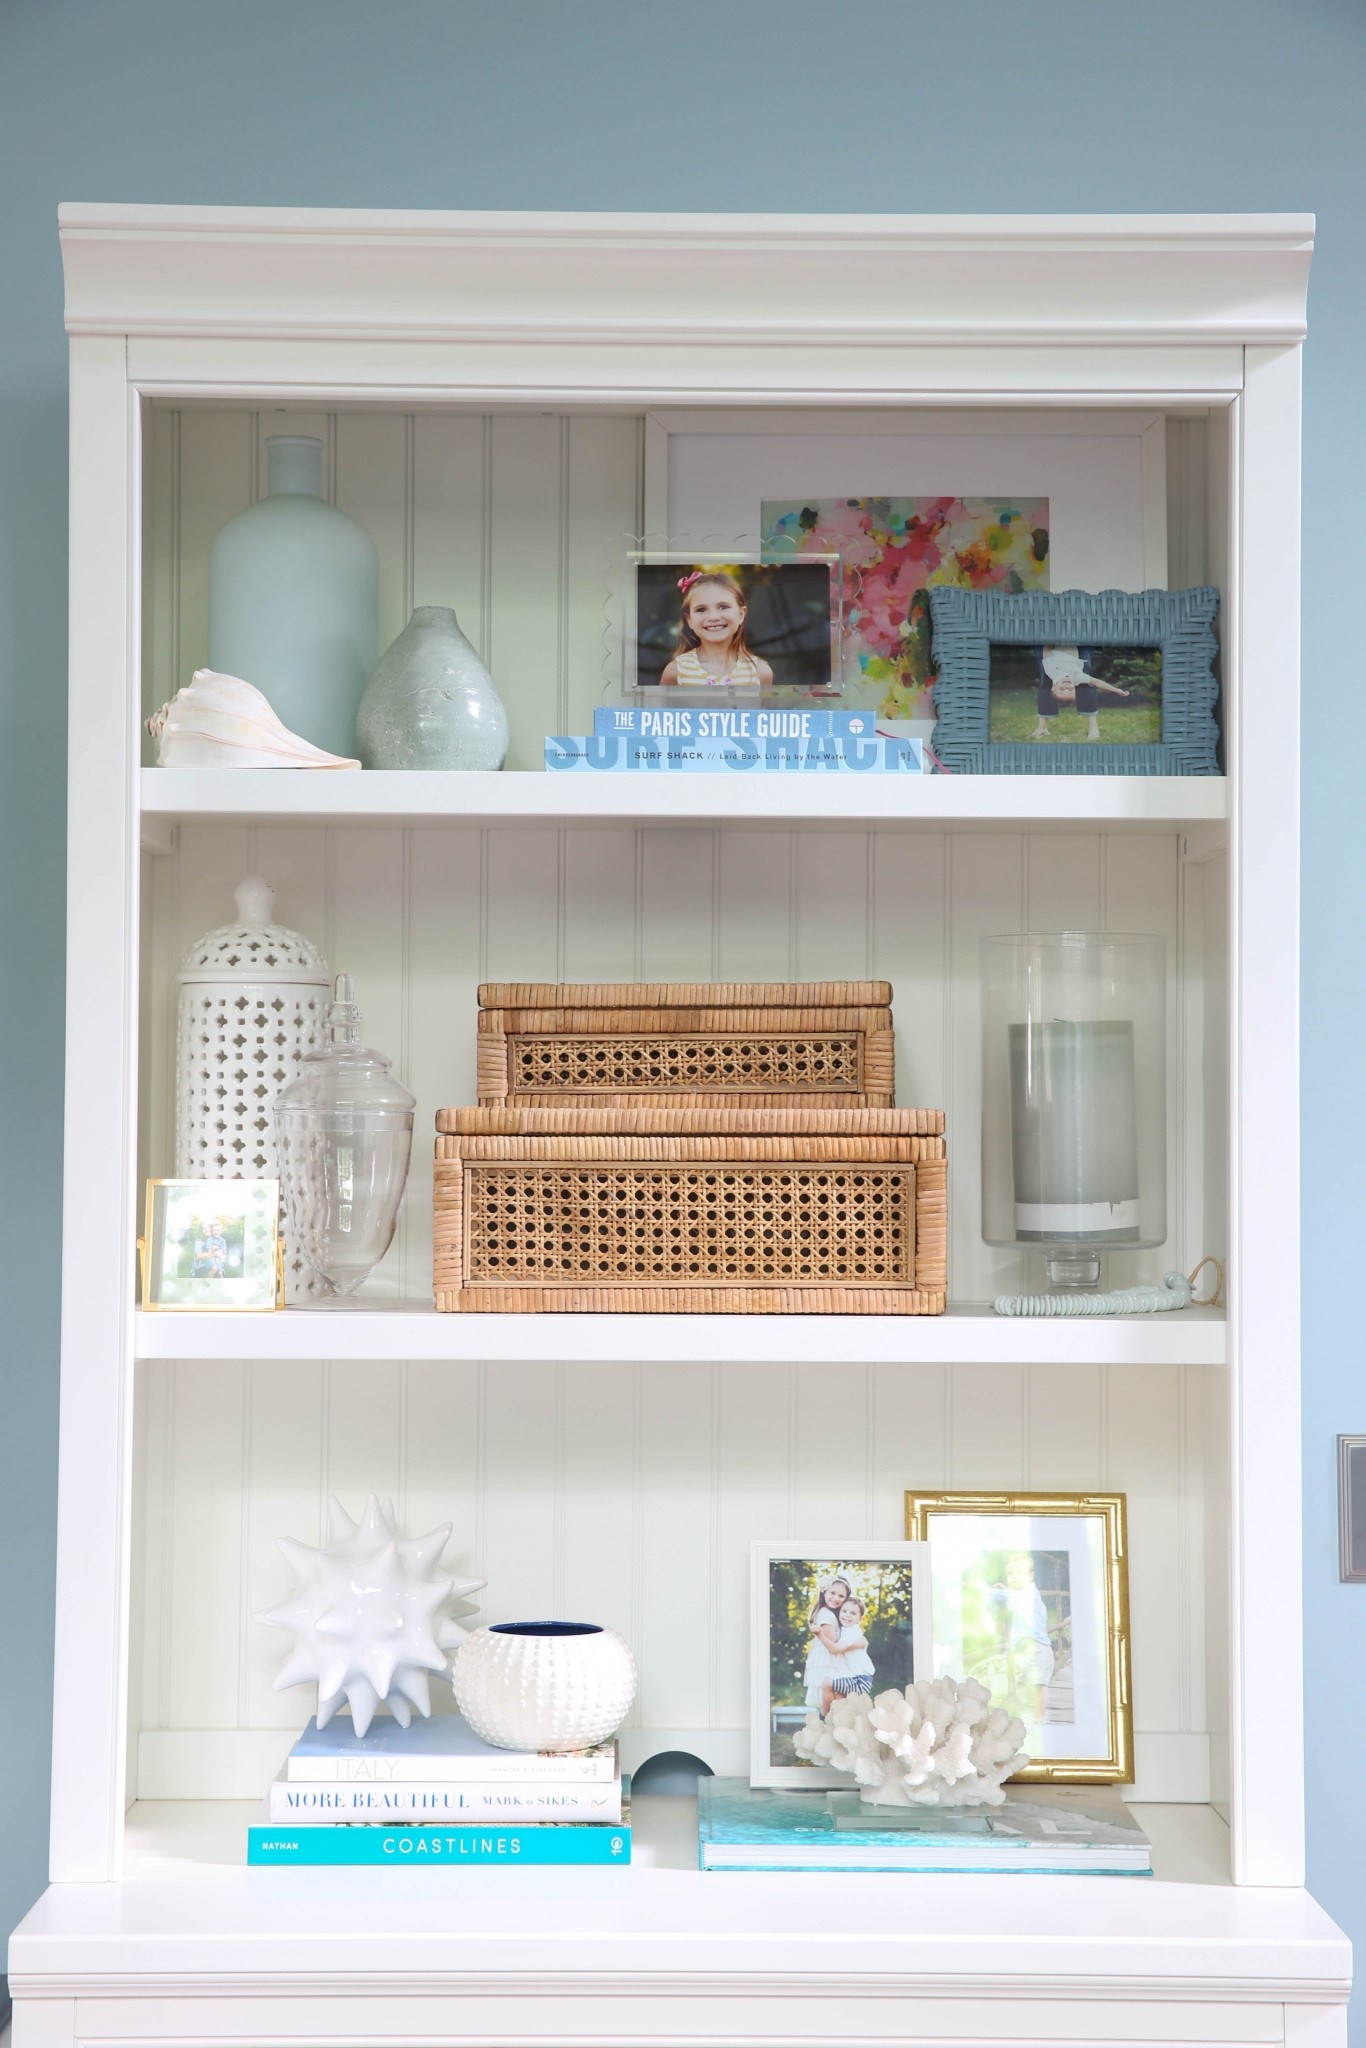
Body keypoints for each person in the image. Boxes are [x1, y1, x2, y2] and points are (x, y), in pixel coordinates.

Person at [659, 570, 775, 688]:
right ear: (689, 620)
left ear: (740, 614)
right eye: (701, 609)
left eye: (723, 607)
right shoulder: (676, 671)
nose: (713, 617)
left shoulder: (760, 672)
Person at [988, 1551, 1054, 1722]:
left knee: (1039, 1685)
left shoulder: (1029, 1592)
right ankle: (1029, 1713)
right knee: (1026, 1683)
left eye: (1019, 1573)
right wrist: (1006, 1590)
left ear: (1031, 1576)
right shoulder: (1019, 1593)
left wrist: (988, 1591)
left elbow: (1010, 1596)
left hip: (1038, 1648)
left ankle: (1041, 1716)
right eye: (1010, 1574)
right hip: (1026, 1650)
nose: (1014, 1577)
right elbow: (1012, 1596)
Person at [1030, 644, 1130, 741]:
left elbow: (1046, 651)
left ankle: (1092, 728)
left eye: (1062, 689)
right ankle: (1042, 728)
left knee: (1044, 682)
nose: (1067, 686)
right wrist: (1116, 690)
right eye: (1070, 690)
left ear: (1053, 687)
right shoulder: (1077, 677)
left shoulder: (1050, 671)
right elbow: (1097, 683)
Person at [803, 1574, 853, 1718]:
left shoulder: (830, 1613)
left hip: (830, 1658)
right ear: (824, 1591)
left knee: (837, 1700)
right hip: (829, 1660)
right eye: (833, 1593)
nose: (836, 1598)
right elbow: (832, 1645)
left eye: (841, 1596)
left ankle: (829, 1722)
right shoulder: (826, 1615)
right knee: (836, 1699)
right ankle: (827, 1721)